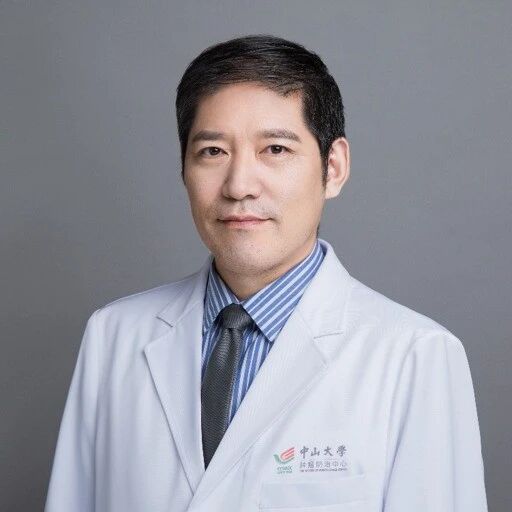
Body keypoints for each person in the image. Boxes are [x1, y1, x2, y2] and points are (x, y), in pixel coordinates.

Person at [44, 34, 488, 511]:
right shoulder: (113, 336)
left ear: (334, 168)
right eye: (213, 151)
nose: (239, 186)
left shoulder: (415, 355)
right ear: (183, 168)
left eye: (275, 149)